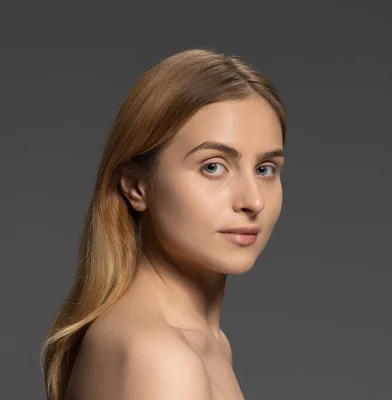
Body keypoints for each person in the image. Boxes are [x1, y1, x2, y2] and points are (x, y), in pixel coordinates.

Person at [40, 48, 287, 400]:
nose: (253, 201)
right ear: (136, 187)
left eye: (265, 169)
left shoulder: (203, 341)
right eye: (213, 166)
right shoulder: (161, 356)